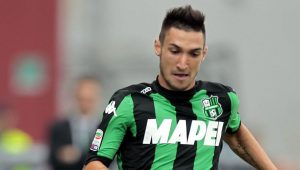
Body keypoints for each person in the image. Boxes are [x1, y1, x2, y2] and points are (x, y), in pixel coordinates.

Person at [84, 5, 278, 170]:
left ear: (204, 54)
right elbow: (94, 163)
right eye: (175, 51)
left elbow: (237, 136)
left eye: (193, 54)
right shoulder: (129, 102)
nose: (183, 63)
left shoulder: (221, 99)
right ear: (158, 47)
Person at [48, 76, 102, 170]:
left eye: (89, 100)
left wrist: (78, 155)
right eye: (81, 99)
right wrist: (61, 154)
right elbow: (52, 158)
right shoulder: (59, 127)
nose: (85, 104)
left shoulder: (106, 129)